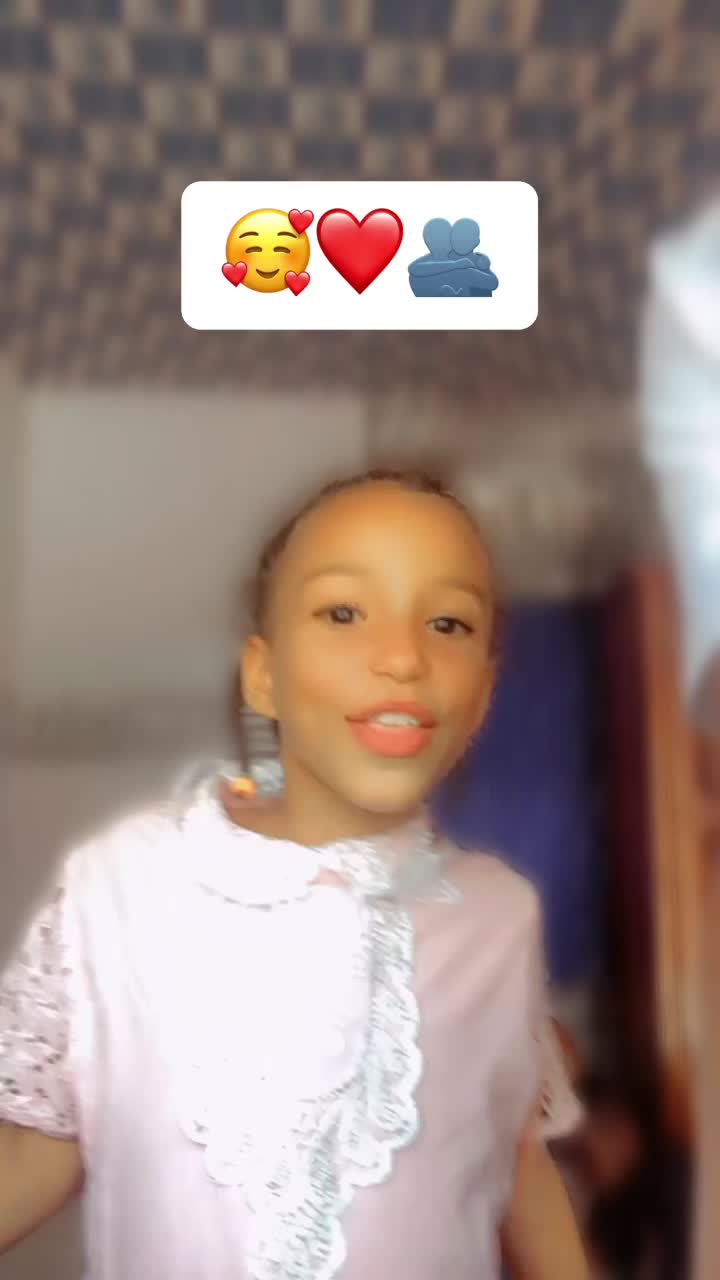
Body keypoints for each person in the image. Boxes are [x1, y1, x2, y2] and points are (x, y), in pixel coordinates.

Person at [0, 468, 588, 1279]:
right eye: (343, 613)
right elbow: (38, 1150)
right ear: (263, 675)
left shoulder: (500, 917)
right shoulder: (119, 889)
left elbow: (513, 1161)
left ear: (483, 697)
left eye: (448, 623)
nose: (402, 657)